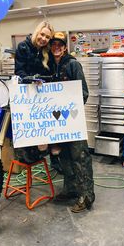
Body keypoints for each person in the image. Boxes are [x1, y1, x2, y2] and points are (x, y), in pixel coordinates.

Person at [50, 31, 95, 213]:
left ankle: (86, 197)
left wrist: (70, 112)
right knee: (64, 156)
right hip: (59, 119)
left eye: (60, 44)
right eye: (54, 44)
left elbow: (83, 92)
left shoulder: (73, 64)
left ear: (65, 46)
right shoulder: (52, 67)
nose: (57, 47)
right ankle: (70, 190)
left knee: (80, 158)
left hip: (72, 119)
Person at [14, 21, 55, 164]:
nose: (44, 39)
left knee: (43, 127)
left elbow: (50, 71)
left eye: (47, 37)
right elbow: (19, 71)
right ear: (37, 32)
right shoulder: (23, 47)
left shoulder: (46, 52)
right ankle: (27, 155)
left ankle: (43, 153)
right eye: (42, 34)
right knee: (29, 128)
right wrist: (31, 79)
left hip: (42, 93)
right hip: (27, 93)